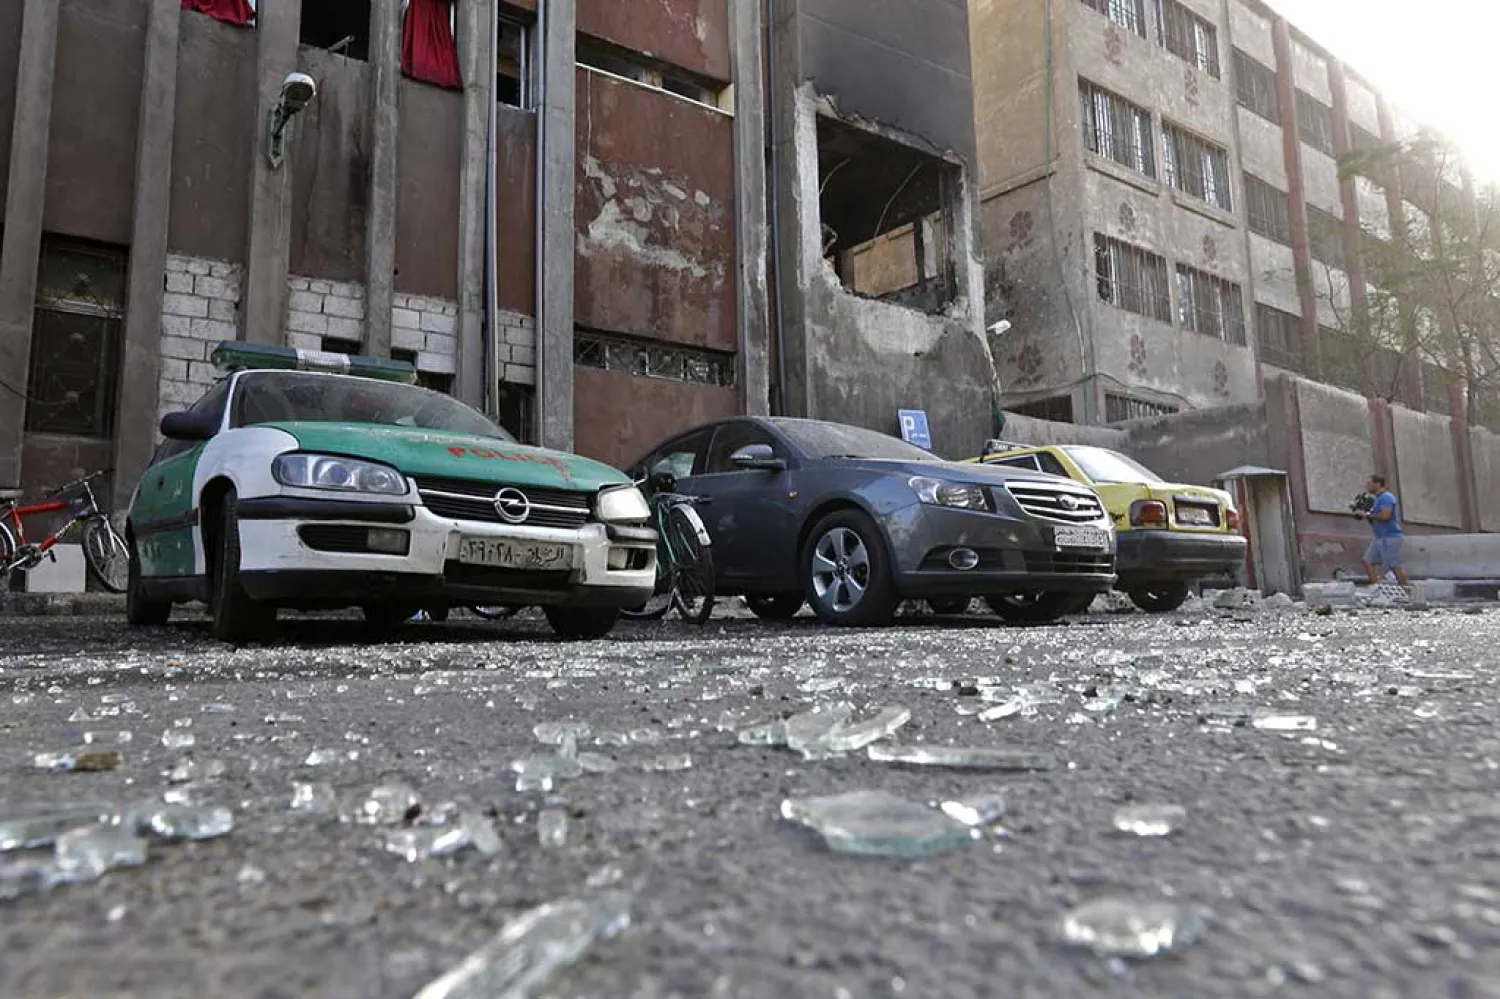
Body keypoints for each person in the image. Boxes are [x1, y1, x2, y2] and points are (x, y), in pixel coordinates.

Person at [1359, 473, 1407, 588]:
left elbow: (1385, 516)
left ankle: (1406, 591)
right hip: (1379, 537)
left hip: (1390, 537)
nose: (1367, 486)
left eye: (1369, 484)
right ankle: (1376, 589)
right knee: (1367, 561)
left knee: (1393, 565)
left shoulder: (1386, 497)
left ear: (1378, 484)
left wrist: (1367, 515)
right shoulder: (1378, 499)